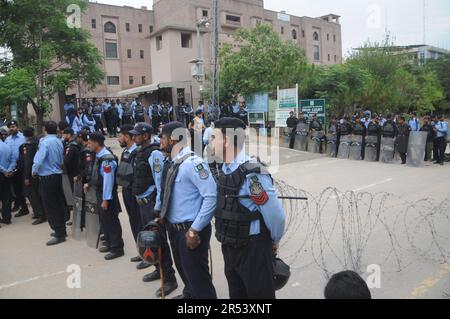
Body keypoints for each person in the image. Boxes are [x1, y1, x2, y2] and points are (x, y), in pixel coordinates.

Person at [210, 117, 285, 299]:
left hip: (253, 250)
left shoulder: (252, 174)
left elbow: (276, 216)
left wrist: (273, 241)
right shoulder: (225, 170)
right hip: (230, 248)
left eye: (214, 137)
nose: (210, 142)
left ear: (227, 140)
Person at [159, 122, 217, 299]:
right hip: (174, 229)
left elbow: (211, 197)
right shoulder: (173, 163)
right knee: (185, 270)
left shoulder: (194, 163)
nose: (160, 142)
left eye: (162, 138)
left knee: (198, 278)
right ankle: (190, 294)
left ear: (173, 139)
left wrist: (195, 229)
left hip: (190, 230)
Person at [130, 122, 178, 296]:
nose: (134, 137)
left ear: (145, 136)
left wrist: (158, 207)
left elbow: (159, 183)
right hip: (143, 204)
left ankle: (169, 279)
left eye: (137, 134)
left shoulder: (154, 153)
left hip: (151, 205)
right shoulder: (140, 152)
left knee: (159, 242)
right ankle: (159, 270)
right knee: (151, 241)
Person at [85, 132, 124, 260]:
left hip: (106, 194)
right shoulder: (98, 156)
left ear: (96, 143)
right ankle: (108, 242)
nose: (88, 145)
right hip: (100, 192)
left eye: (90, 143)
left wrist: (106, 199)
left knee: (111, 221)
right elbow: (96, 175)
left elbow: (108, 180)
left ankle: (117, 248)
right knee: (104, 220)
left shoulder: (107, 159)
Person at [32, 121, 67, 246]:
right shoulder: (58, 140)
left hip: (47, 176)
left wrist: (33, 171)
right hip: (57, 174)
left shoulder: (45, 142)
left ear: (44, 129)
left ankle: (59, 233)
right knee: (58, 203)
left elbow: (39, 160)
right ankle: (62, 229)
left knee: (51, 206)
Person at [116, 125, 142, 264]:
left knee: (140, 223)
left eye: (120, 136)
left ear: (127, 137)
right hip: (126, 190)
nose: (118, 139)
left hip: (135, 192)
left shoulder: (137, 153)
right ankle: (141, 251)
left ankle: (147, 253)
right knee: (133, 222)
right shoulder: (125, 152)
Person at [19, 127, 45, 225]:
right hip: (39, 172)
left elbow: (28, 162)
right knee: (39, 193)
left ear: (24, 136)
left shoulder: (28, 146)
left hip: (31, 174)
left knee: (33, 195)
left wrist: (26, 177)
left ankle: (40, 215)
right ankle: (42, 213)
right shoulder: (38, 142)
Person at [5, 120, 28, 218]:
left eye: (13, 126)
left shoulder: (23, 138)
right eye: (10, 127)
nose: (11, 128)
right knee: (17, 189)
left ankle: (38, 209)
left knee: (28, 188)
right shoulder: (8, 139)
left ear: (17, 127)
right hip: (13, 167)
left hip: (23, 165)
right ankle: (23, 208)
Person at [0, 135, 14, 225]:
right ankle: (7, 218)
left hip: (2, 172)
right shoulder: (7, 146)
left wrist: (3, 170)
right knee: (6, 197)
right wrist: (8, 170)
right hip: (7, 175)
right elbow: (13, 160)